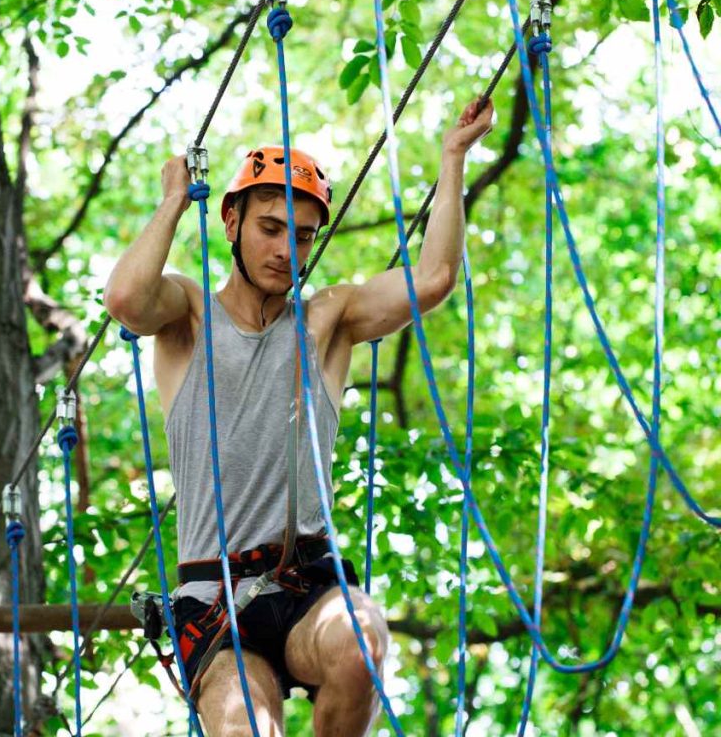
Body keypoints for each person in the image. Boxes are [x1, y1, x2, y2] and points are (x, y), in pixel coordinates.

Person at [105, 97, 493, 736]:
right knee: (244, 728)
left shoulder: (327, 319)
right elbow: (125, 298)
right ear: (232, 221)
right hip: (214, 599)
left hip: (306, 583)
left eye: (304, 235)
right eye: (270, 227)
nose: (288, 249)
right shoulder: (188, 315)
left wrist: (453, 158)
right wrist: (174, 200)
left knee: (361, 643)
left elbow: (433, 278)